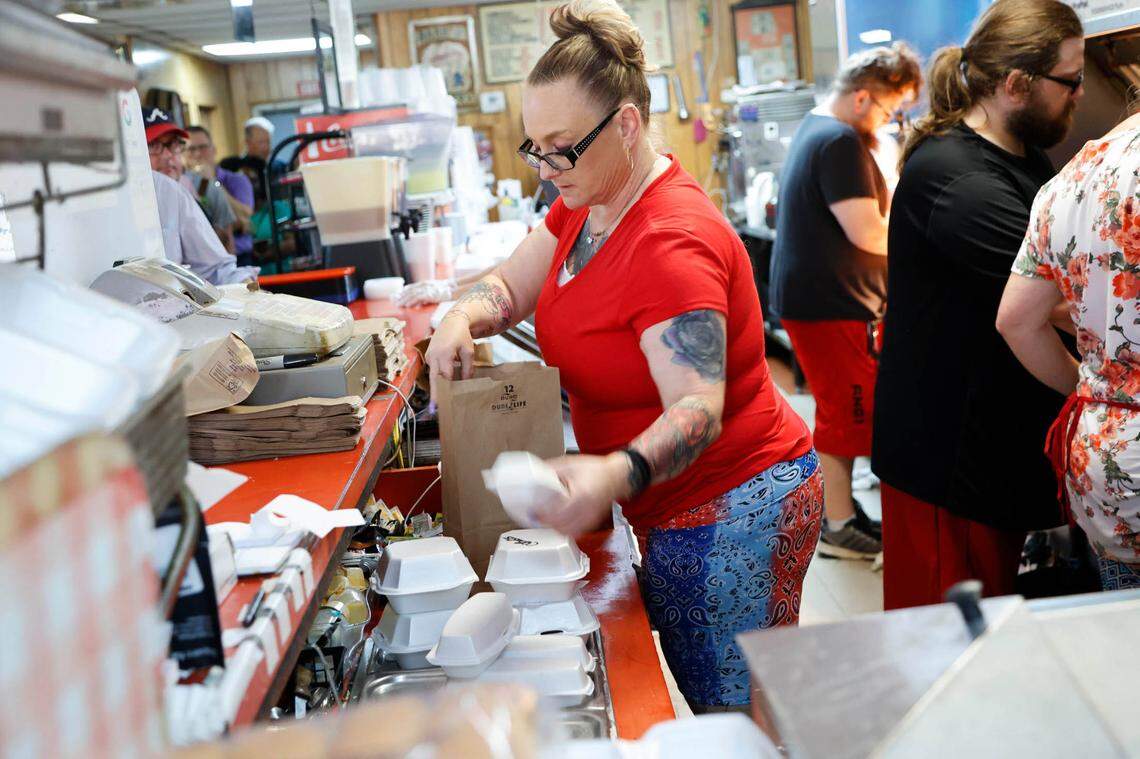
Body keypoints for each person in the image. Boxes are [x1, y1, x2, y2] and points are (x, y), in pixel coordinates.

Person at [425, 0, 817, 711]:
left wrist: (612, 472)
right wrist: (461, 316)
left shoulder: (670, 243)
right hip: (667, 505)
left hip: (733, 504)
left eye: (559, 146)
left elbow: (698, 410)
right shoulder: (587, 197)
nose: (545, 168)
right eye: (533, 146)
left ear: (627, 126)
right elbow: (513, 283)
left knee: (736, 715)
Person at [872, 0, 1084, 609]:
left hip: (995, 452)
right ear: (1017, 84)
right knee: (945, 651)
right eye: (1069, 83)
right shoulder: (961, 183)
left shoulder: (1016, 152)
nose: (1077, 95)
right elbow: (1062, 304)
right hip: (949, 466)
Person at [769, 44, 922, 561]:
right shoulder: (837, 140)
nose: (887, 121)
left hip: (822, 299)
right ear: (862, 98)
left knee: (845, 410)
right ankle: (836, 527)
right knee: (847, 413)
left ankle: (845, 513)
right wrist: (917, 236)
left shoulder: (820, 128)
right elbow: (866, 232)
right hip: (829, 303)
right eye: (888, 109)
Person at [998, 113, 1140, 590]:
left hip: (1107, 467)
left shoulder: (1072, 179)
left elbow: (1016, 320)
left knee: (1125, 643)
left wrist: (1096, 389)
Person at [143, 106, 258, 285]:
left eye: (173, 145)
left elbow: (220, 263)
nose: (168, 156)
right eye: (153, 145)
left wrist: (242, 283)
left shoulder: (201, 189)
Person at [188, 125, 256, 266]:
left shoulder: (237, 180)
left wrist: (212, 183)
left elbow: (243, 220)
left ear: (214, 150)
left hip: (239, 258)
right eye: (191, 149)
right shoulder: (181, 184)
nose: (198, 154)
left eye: (203, 147)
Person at [220, 116, 284, 211]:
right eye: (261, 142)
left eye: (268, 142)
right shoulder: (233, 168)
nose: (267, 148)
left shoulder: (280, 166)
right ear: (248, 142)